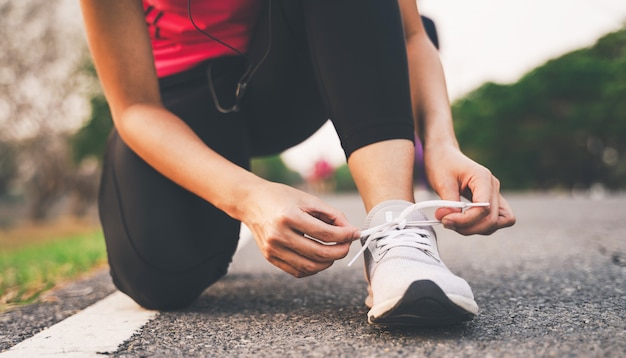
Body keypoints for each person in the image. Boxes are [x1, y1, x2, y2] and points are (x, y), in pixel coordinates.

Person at [79, 0, 515, 327]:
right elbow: (134, 105)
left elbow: (412, 36)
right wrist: (248, 198)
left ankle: (396, 234)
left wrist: (441, 143)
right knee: (161, 275)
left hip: (285, 73)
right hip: (178, 102)